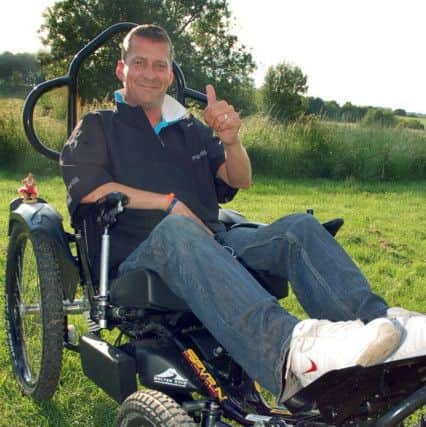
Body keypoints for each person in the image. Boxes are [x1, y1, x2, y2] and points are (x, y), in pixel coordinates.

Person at [60, 24, 425, 402]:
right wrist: (169, 204)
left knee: (298, 228)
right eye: (139, 63)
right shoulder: (100, 125)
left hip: (214, 241)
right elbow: (88, 188)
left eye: (159, 65)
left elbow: (240, 178)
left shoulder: (189, 129)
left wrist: (232, 141)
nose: (149, 74)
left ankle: (383, 329)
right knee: (176, 230)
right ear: (122, 69)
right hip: (141, 258)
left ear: (170, 73)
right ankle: (293, 352)